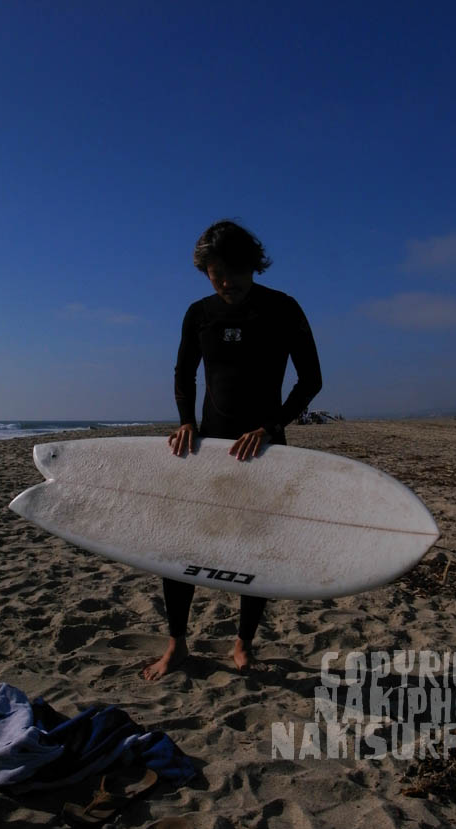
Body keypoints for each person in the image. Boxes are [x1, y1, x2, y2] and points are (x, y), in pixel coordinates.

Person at [141, 220, 322, 680]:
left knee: (255, 550)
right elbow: (183, 373)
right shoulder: (198, 314)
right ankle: (177, 644)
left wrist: (270, 427)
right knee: (179, 545)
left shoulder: (282, 308)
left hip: (265, 448)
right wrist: (186, 422)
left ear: (253, 265)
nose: (225, 282)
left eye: (234, 271)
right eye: (215, 273)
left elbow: (311, 379)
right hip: (209, 445)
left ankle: (243, 645)